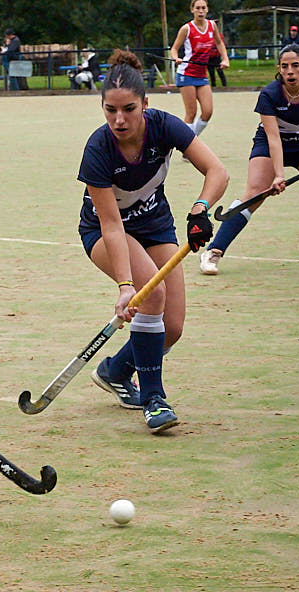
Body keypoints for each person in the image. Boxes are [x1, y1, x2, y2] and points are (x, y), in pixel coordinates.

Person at [77, 50, 228, 433]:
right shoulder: (98, 149)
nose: (119, 119)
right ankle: (153, 399)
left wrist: (200, 208)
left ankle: (115, 370)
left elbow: (217, 170)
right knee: (151, 296)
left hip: (155, 225)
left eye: (128, 109)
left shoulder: (165, 127)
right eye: (110, 110)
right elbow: (111, 225)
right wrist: (126, 287)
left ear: (145, 104)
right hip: (104, 233)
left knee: (172, 327)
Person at [200, 44, 299, 275]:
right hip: (270, 143)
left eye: (295, 66)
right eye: (285, 66)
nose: (290, 71)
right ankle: (213, 251)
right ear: (279, 69)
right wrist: (278, 175)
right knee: (256, 192)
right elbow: (274, 138)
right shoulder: (269, 94)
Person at [170, 0, 229, 136]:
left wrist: (225, 59)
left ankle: (191, 141)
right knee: (191, 113)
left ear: (207, 9)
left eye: (203, 8)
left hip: (201, 75)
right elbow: (174, 49)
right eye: (197, 8)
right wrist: (176, 58)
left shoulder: (212, 25)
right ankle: (189, 147)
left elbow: (219, 43)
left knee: (207, 112)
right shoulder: (186, 28)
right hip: (186, 73)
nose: (200, 11)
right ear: (192, 10)